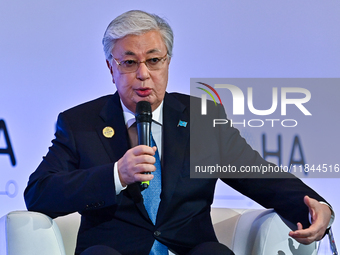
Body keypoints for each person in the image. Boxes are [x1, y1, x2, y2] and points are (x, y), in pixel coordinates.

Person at [24, 10, 333, 255]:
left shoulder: (202, 117)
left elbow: (256, 174)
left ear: (167, 62)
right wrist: (116, 175)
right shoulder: (81, 122)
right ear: (111, 68)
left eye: (154, 60)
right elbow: (39, 193)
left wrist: (313, 204)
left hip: (190, 249)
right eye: (129, 62)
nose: (143, 74)